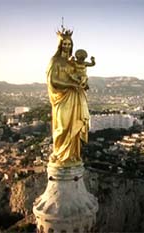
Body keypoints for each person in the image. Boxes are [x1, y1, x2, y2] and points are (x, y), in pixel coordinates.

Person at [46, 28, 90, 167]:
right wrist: (71, 84)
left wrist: (83, 83)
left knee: (74, 127)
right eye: (64, 43)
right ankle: (60, 155)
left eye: (69, 44)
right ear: (60, 45)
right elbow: (53, 81)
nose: (67, 46)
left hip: (75, 96)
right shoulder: (55, 61)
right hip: (62, 98)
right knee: (63, 127)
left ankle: (72, 155)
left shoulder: (72, 62)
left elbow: (79, 75)